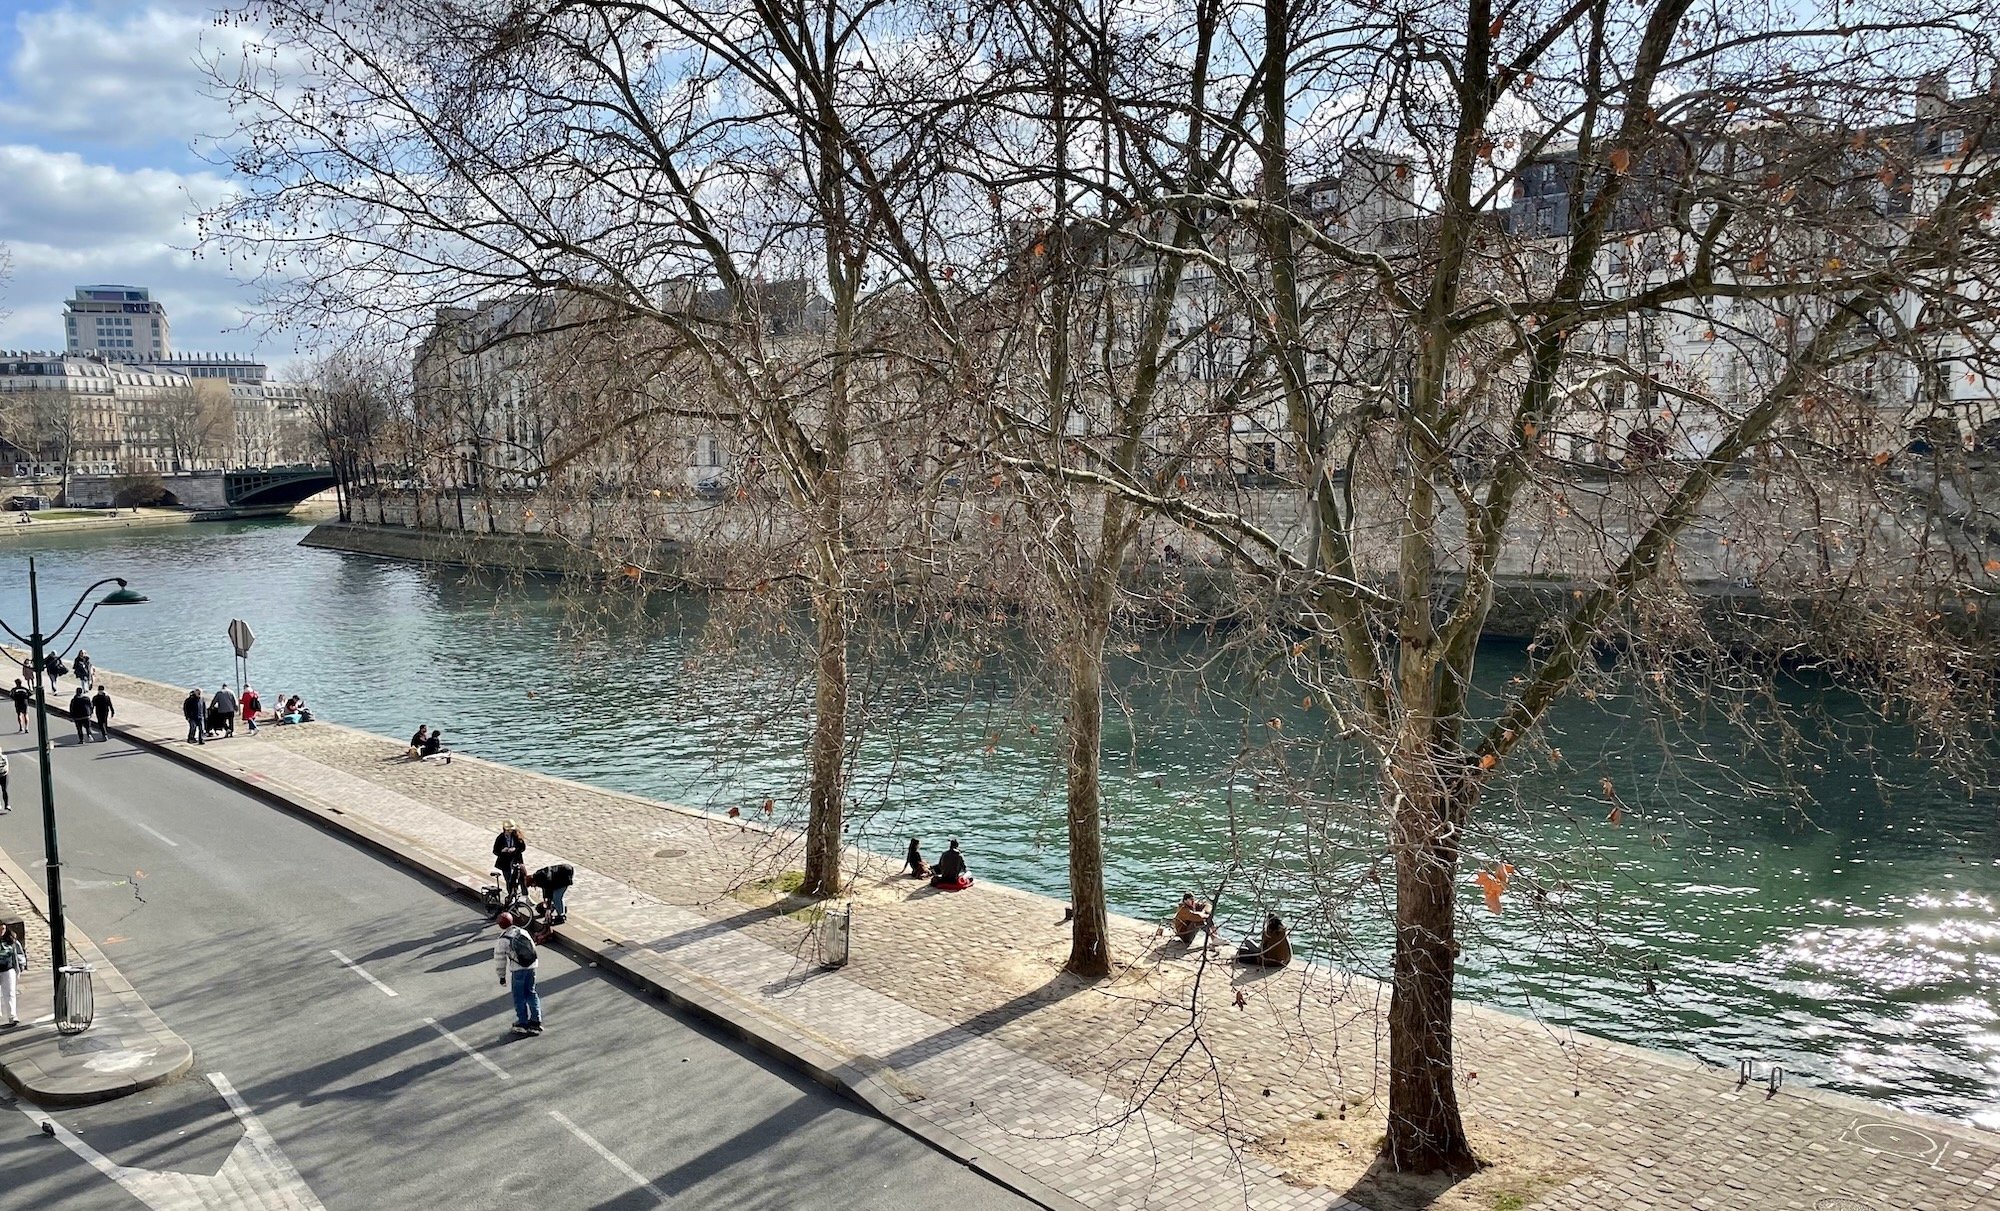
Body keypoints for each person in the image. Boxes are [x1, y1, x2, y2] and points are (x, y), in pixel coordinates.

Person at [491, 911, 543, 1035]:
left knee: (519, 996)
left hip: (518, 970)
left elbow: (500, 960)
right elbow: (532, 948)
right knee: (531, 993)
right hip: (531, 967)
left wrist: (501, 977)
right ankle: (536, 1021)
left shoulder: (502, 940)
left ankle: (523, 1023)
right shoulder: (522, 932)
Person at [493, 821, 528, 898]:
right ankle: (511, 896)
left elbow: (523, 847)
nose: (510, 832)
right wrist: (503, 850)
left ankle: (526, 896)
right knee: (509, 880)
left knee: (522, 877)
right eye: (508, 831)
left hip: (516, 860)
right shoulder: (500, 838)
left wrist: (515, 849)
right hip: (505, 862)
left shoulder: (516, 836)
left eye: (511, 830)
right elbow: (495, 851)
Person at [0, 920, 25, 1027]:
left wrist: (20, 964)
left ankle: (12, 1016)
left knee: (10, 993)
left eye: (3, 929)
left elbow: (19, 953)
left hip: (8, 968)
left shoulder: (11, 939)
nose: (1, 931)